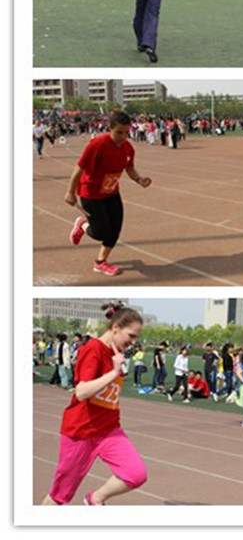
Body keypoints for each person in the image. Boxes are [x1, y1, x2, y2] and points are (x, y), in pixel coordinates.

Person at [41, 303, 147, 505]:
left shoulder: (117, 353)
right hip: (81, 431)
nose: (133, 342)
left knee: (136, 474)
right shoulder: (93, 349)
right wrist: (114, 372)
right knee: (60, 496)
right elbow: (81, 392)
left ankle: (95, 498)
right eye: (131, 336)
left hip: (109, 429)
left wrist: (116, 368)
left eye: (136, 338)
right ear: (115, 327)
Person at [65, 110, 152, 277]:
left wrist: (139, 179)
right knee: (100, 233)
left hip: (111, 192)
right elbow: (79, 169)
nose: (123, 137)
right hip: (91, 193)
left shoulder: (128, 148)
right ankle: (82, 225)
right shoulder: (97, 145)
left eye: (126, 132)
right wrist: (70, 192)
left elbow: (130, 168)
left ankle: (100, 262)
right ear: (110, 128)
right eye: (119, 132)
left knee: (115, 229)